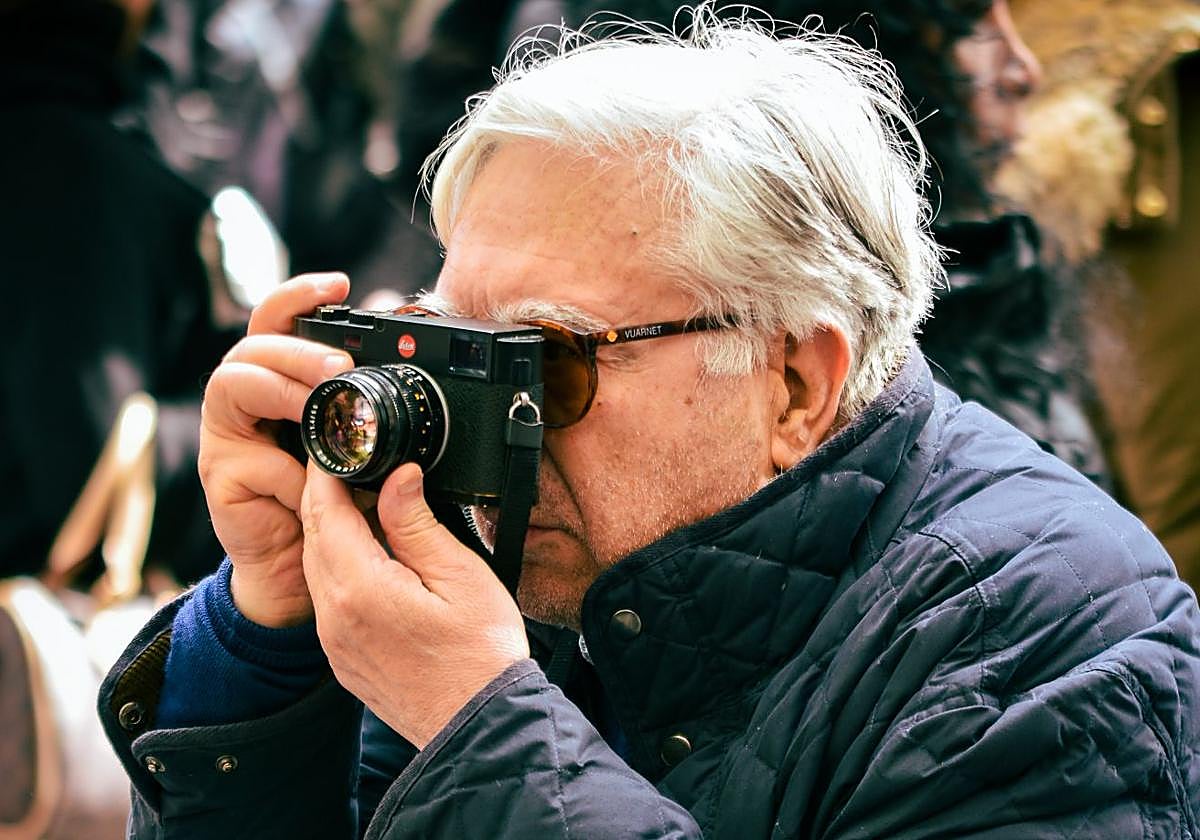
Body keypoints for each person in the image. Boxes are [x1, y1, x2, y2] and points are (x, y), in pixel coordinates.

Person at [98, 10, 1199, 838]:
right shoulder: (515, 579)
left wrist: (482, 723)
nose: (490, 433)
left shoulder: (1058, 646)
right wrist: (264, 645)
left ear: (795, 383)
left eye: (552, 361)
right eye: (461, 353)